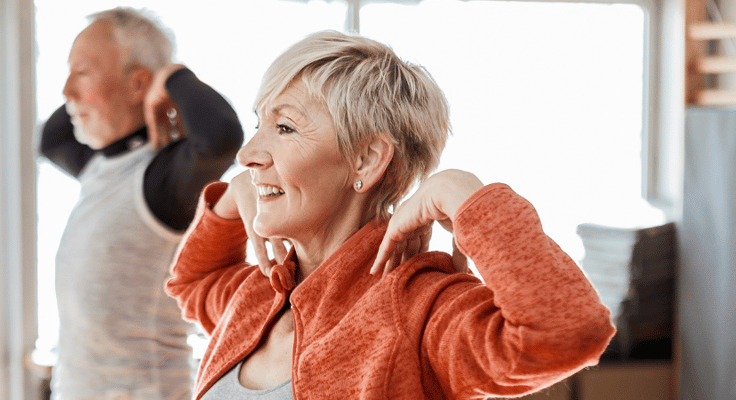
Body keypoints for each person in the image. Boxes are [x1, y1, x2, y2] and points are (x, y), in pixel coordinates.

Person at [165, 30, 616, 399]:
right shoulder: (257, 294)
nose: (247, 153)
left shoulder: (418, 309)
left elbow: (565, 333)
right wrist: (231, 200)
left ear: (366, 160)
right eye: (259, 124)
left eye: (284, 128)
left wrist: (466, 195)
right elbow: (192, 282)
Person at [39, 7, 243, 400]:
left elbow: (220, 136)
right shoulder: (99, 167)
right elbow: (51, 139)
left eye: (82, 73)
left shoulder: (161, 179)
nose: (66, 90)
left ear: (138, 85)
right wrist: (90, 82)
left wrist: (171, 76)